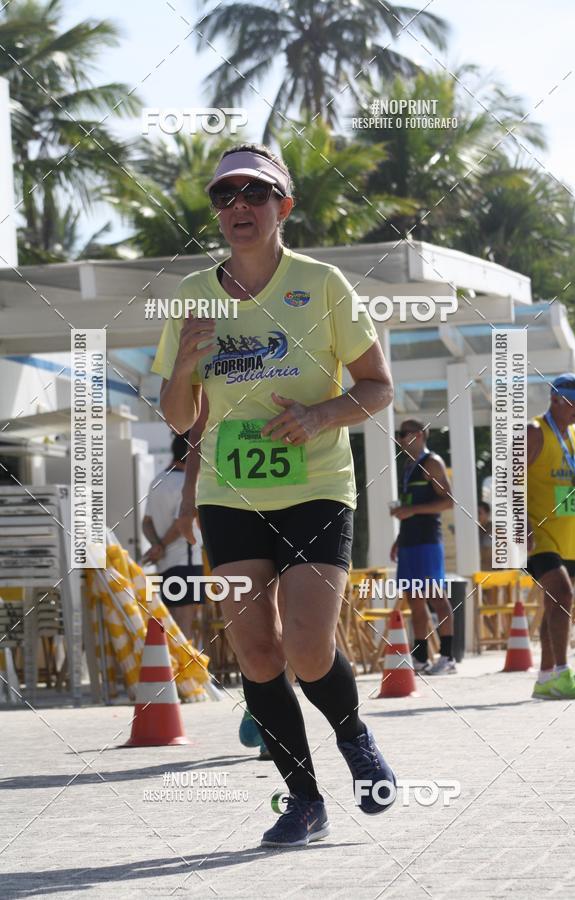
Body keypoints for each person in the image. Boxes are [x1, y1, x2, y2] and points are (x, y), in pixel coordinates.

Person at [151, 142, 397, 848]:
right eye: (224, 196)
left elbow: (378, 387)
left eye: (254, 194)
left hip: (316, 486)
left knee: (310, 648)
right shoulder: (191, 294)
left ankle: (354, 738)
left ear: (282, 206)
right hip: (230, 495)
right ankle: (304, 801)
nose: (239, 206)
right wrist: (185, 367)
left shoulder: (321, 284)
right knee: (258, 654)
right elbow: (178, 416)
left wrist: (320, 415)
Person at [177, 398, 271, 761]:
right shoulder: (215, 370)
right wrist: (189, 497)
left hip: (298, 500)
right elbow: (197, 429)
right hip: (229, 506)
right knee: (248, 621)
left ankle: (271, 713)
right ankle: (259, 698)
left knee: (291, 622)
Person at [527, 373, 575, 700]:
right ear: (555, 399)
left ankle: (545, 679)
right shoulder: (533, 431)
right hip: (537, 532)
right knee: (564, 595)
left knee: (556, 604)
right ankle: (563, 672)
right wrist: (519, 524)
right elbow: (508, 480)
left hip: (569, 532)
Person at [390, 420, 455, 675]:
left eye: (402, 434)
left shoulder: (432, 462)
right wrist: (399, 539)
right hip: (409, 541)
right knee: (414, 600)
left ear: (418, 435)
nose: (398, 438)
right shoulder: (408, 465)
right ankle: (420, 658)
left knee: (436, 597)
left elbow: (448, 502)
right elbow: (409, 507)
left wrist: (412, 510)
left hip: (428, 540)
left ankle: (448, 656)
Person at [142, 430, 204, 640]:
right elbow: (181, 525)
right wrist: (161, 546)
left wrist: (156, 546)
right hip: (186, 560)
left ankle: (172, 660)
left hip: (164, 565)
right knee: (185, 626)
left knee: (170, 625)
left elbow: (146, 523)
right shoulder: (187, 485)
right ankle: (184, 662)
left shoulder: (157, 481)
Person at [478, 501, 493, 571]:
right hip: (481, 569)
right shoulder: (475, 530)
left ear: (487, 514)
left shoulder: (496, 529)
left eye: (479, 513)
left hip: (495, 570)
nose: (477, 515)